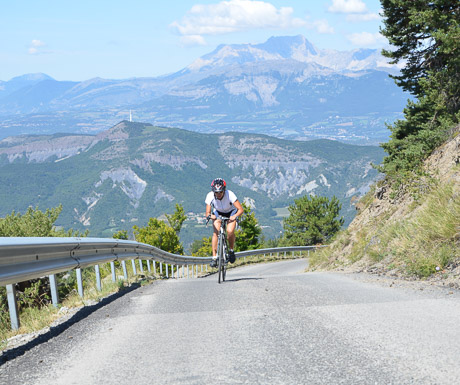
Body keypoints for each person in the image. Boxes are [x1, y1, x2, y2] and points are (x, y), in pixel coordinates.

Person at [205, 178, 243, 267]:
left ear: (224, 190)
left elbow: (240, 209)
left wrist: (235, 216)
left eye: (220, 192)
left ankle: (231, 250)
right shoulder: (210, 196)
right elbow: (207, 212)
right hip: (218, 212)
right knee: (216, 232)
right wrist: (211, 216)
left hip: (231, 212)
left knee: (230, 231)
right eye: (216, 192)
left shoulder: (230, 194)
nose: (218, 194)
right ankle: (214, 257)